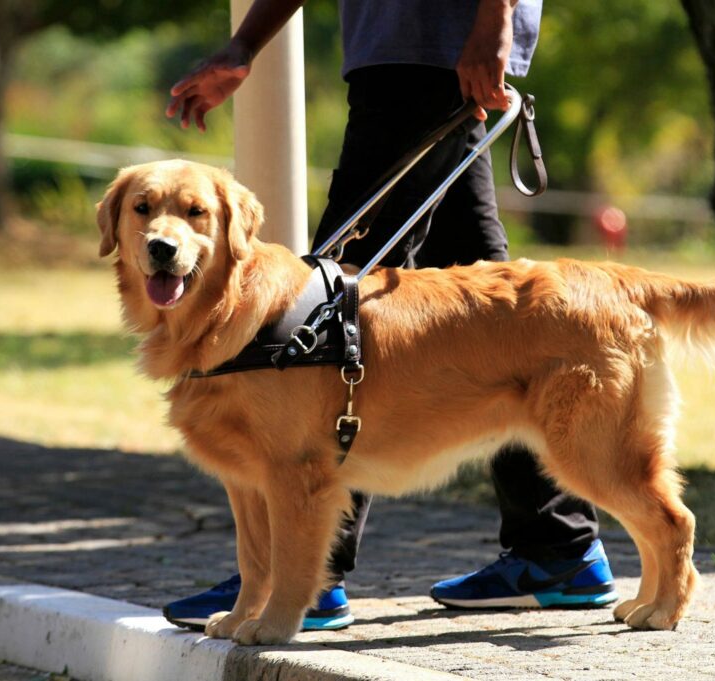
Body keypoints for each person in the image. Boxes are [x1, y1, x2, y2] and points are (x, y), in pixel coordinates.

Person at [161, 0, 617, 633]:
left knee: (321, 305)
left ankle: (305, 576)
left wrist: (493, 20)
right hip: (407, 48)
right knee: (481, 305)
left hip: (430, 46)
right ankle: (558, 548)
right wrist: (246, 43)